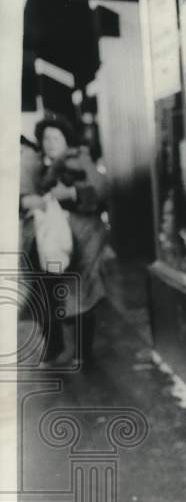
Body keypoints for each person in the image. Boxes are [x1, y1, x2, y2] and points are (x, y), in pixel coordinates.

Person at [19, 113, 110, 367]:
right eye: (46, 137)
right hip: (53, 238)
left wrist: (70, 192)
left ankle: (83, 352)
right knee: (48, 291)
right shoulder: (40, 166)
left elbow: (102, 190)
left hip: (84, 236)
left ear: (66, 139)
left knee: (81, 291)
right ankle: (55, 347)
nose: (50, 142)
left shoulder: (79, 158)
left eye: (55, 137)